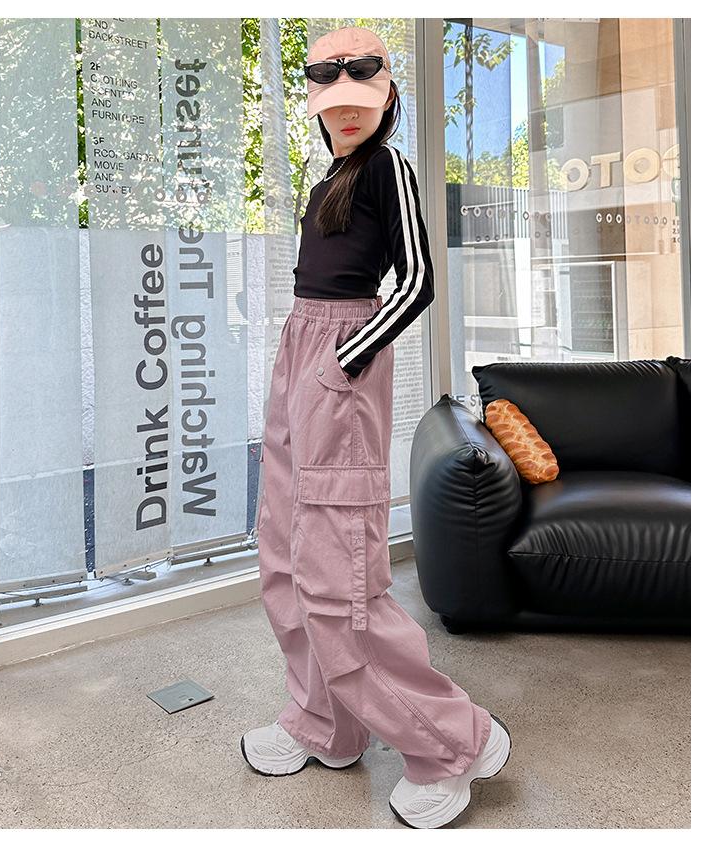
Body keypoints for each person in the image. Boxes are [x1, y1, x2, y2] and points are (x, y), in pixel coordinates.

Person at [241, 25, 511, 829]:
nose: (347, 111)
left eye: (362, 96)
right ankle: (324, 724)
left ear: (388, 96)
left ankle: (453, 743)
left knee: (340, 582)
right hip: (303, 353)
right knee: (284, 557)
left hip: (337, 367)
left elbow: (418, 279)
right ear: (316, 107)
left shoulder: (387, 165)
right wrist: (309, 359)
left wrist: (343, 360)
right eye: (333, 100)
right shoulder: (334, 173)